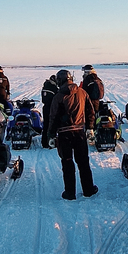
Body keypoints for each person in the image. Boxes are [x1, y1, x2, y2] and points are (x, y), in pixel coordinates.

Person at [46, 69, 98, 200]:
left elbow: (52, 117)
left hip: (64, 134)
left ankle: (70, 193)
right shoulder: (82, 92)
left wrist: (51, 134)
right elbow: (90, 111)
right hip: (79, 131)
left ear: (60, 81)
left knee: (67, 163)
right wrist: (90, 127)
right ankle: (88, 189)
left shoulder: (58, 96)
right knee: (83, 162)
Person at [40, 73, 59, 148]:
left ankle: (44, 142)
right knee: (52, 125)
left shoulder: (45, 87)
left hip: (45, 108)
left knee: (46, 125)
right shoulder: (53, 88)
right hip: (52, 108)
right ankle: (51, 141)